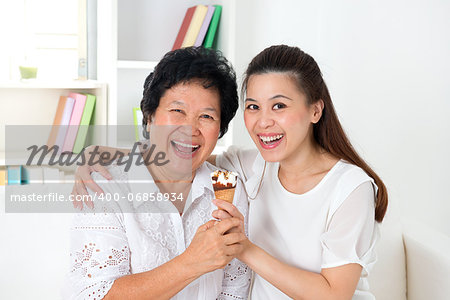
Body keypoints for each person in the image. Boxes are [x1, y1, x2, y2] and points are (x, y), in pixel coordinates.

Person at [73, 45, 388, 299]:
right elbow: (181, 154)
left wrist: (245, 249)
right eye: (253, 106)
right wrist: (97, 154)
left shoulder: (350, 187)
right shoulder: (250, 167)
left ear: (315, 110)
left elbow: (335, 296)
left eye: (279, 106)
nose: (264, 122)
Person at [63, 47, 251, 300]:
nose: (190, 128)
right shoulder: (105, 189)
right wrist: (191, 262)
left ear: (219, 129)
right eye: (177, 111)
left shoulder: (229, 188)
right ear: (149, 117)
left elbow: (233, 290)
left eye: (206, 116)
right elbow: (95, 295)